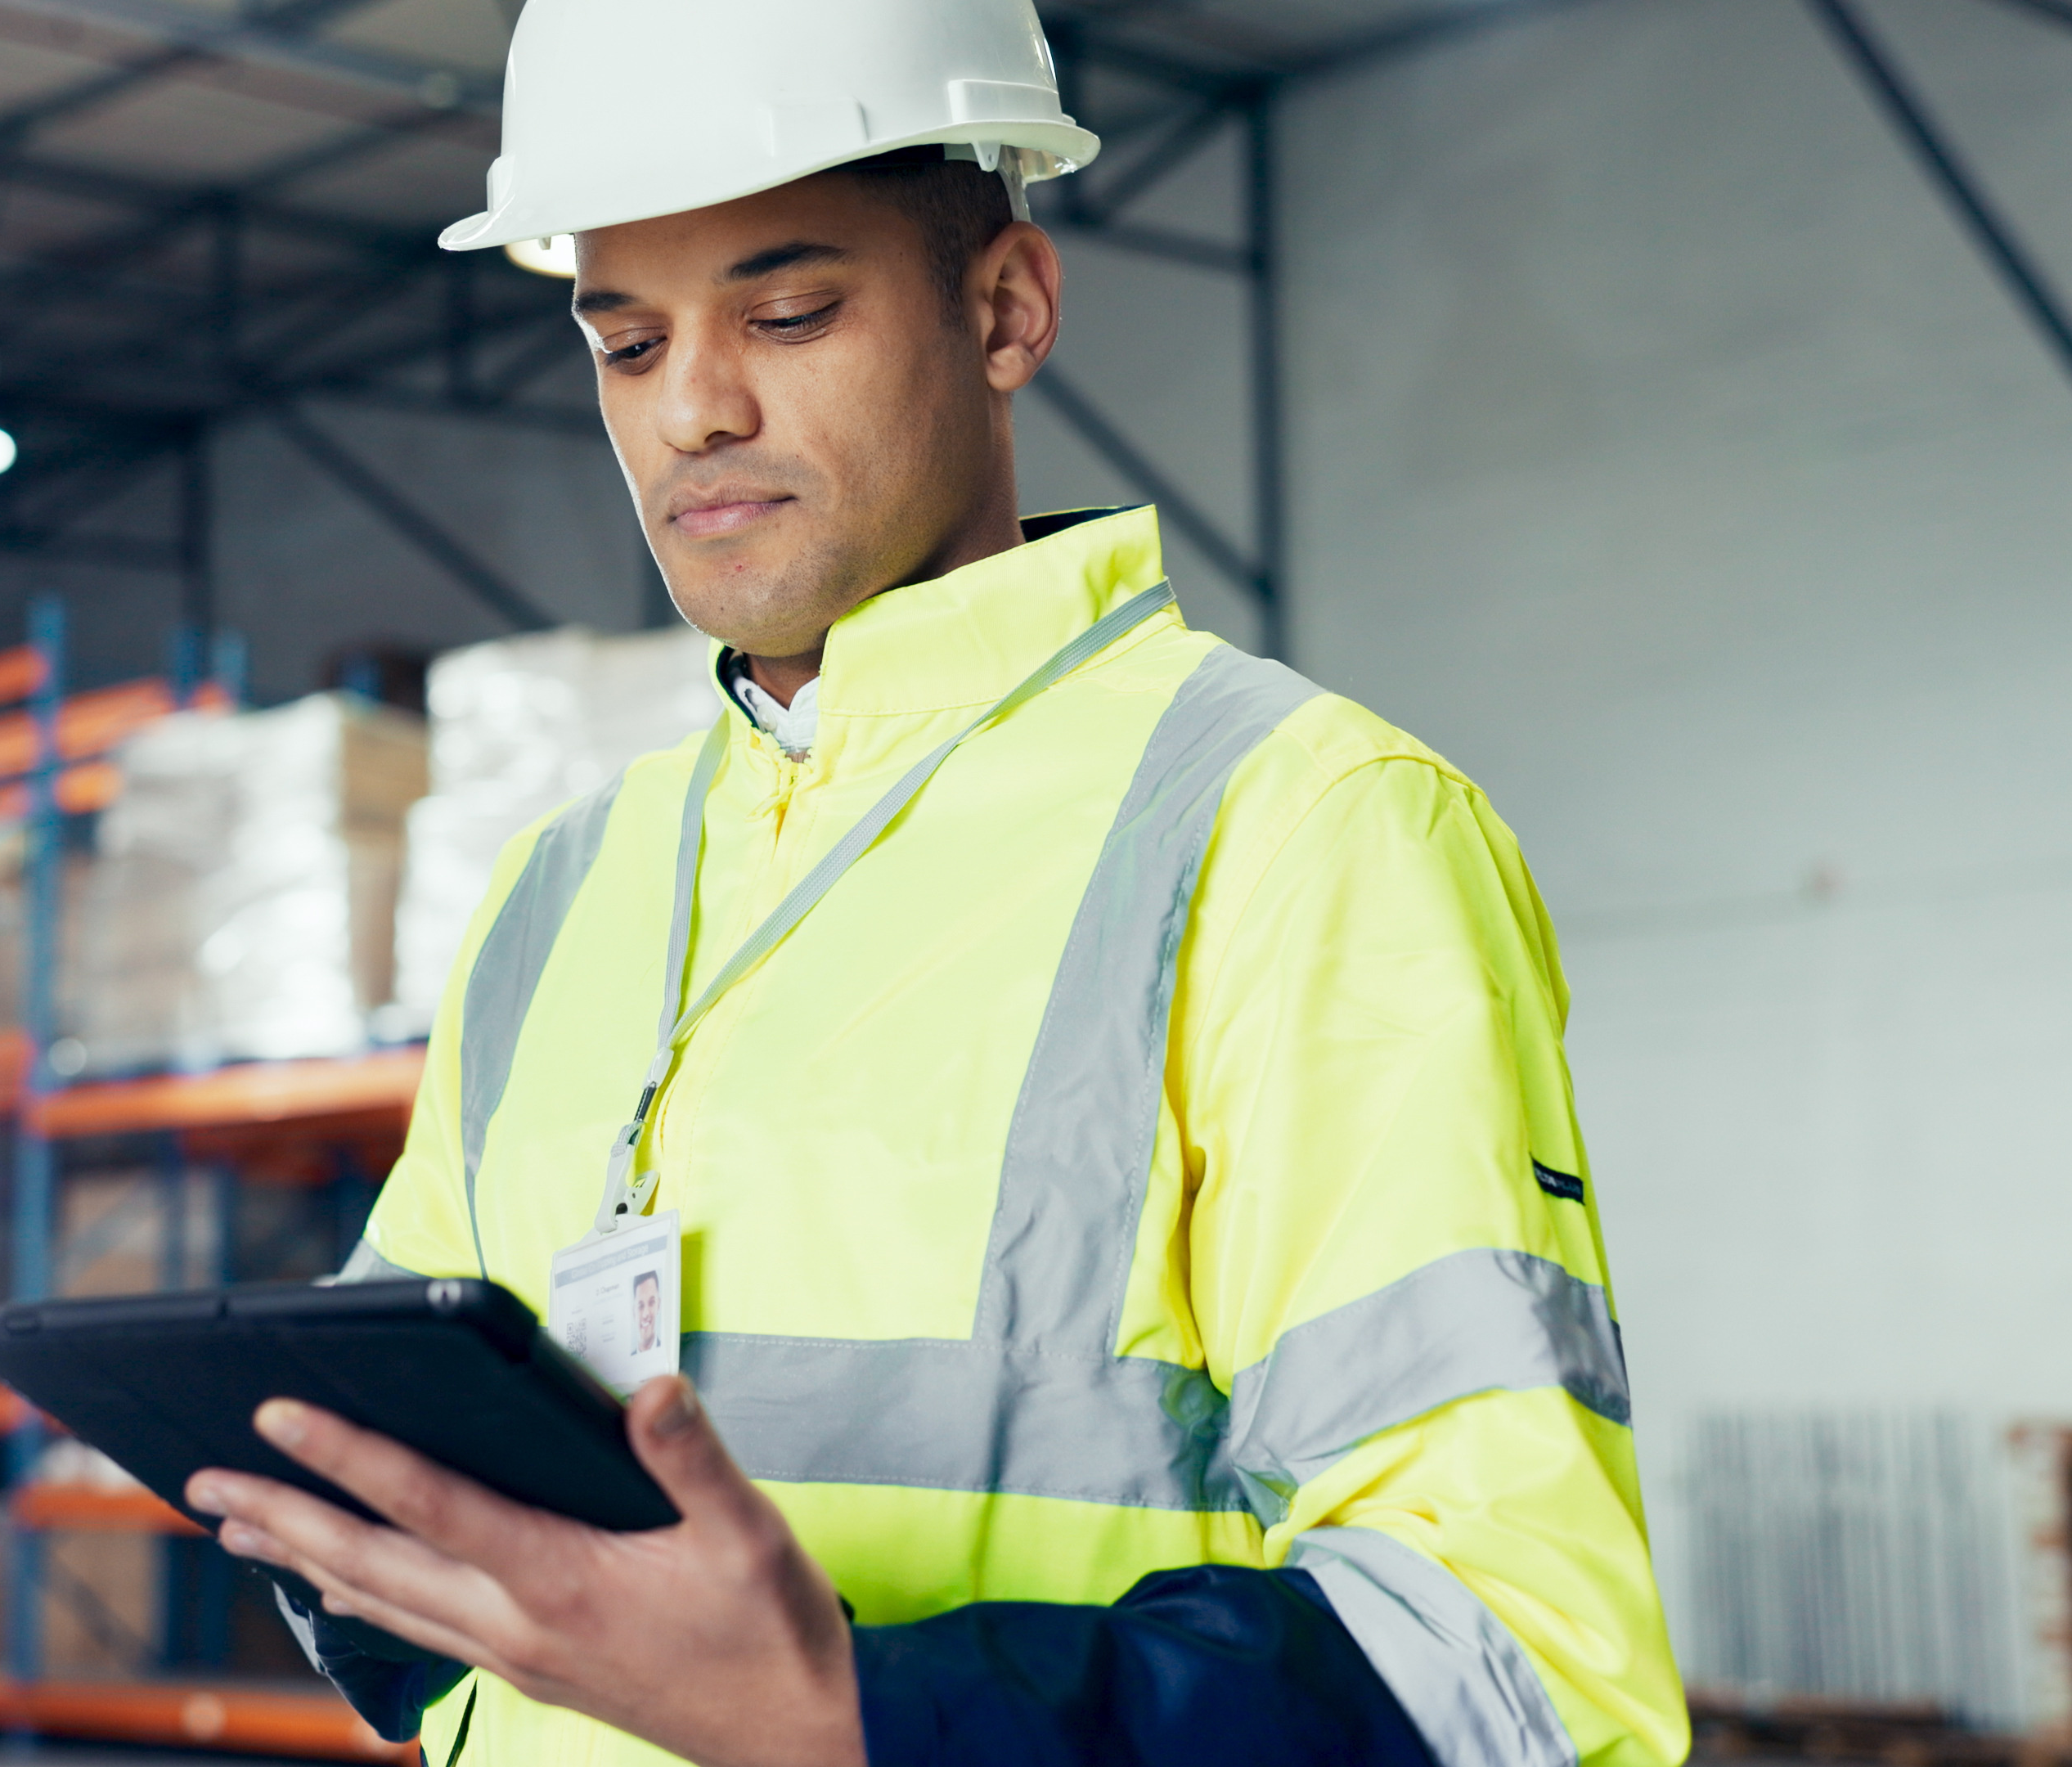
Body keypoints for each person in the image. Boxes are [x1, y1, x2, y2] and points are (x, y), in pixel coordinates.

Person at [177, 0, 1689, 1761]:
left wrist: (852, 1719)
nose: (692, 412)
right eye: (625, 340)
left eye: (786, 310)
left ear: (1003, 309)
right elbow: (395, 1504)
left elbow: (1509, 1663)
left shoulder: (1293, 826)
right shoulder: (561, 890)